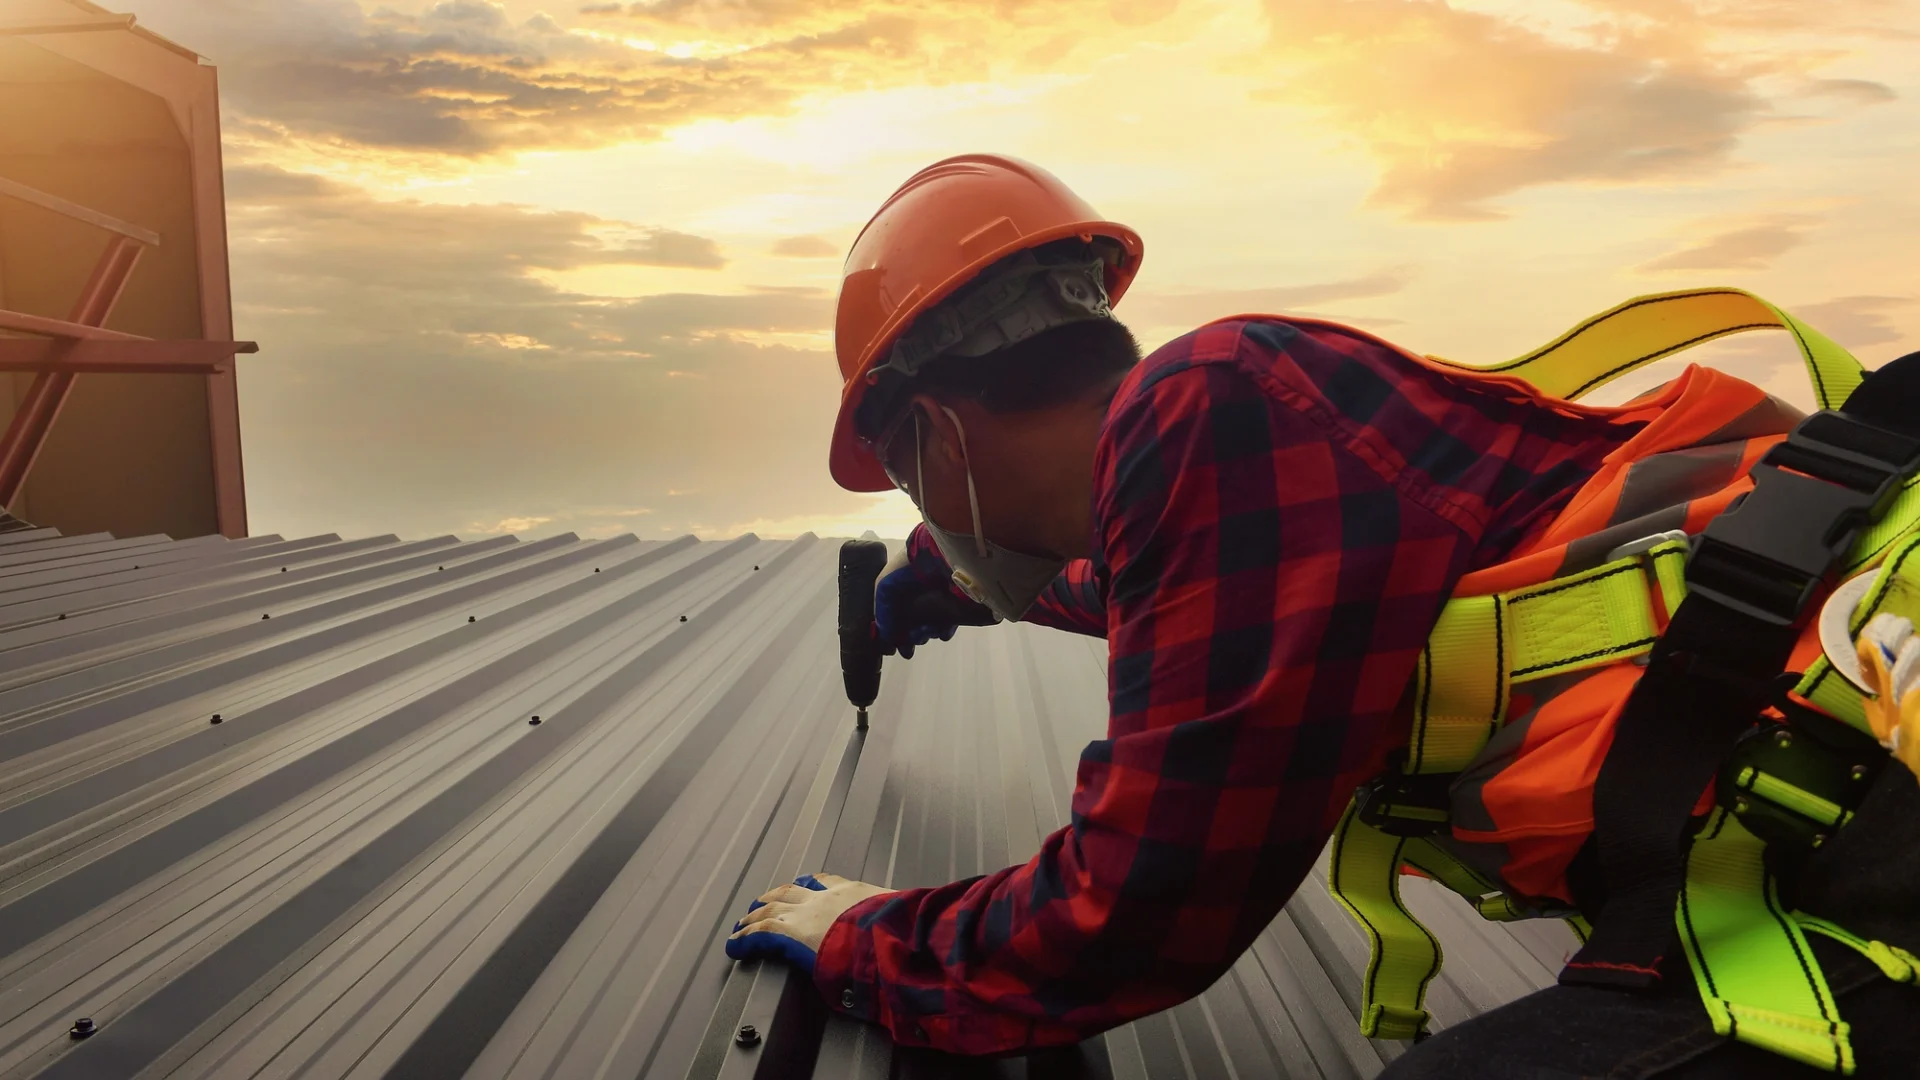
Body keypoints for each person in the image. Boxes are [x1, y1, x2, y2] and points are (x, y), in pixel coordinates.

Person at [724, 154, 1920, 1075]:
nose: (922, 503)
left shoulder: (1209, 406)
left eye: (906, 480)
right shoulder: (1256, 452)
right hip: (1824, 829)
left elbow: (1128, 918)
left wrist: (863, 939)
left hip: (1877, 867)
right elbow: (1169, 598)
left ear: (930, 432)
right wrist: (939, 582)